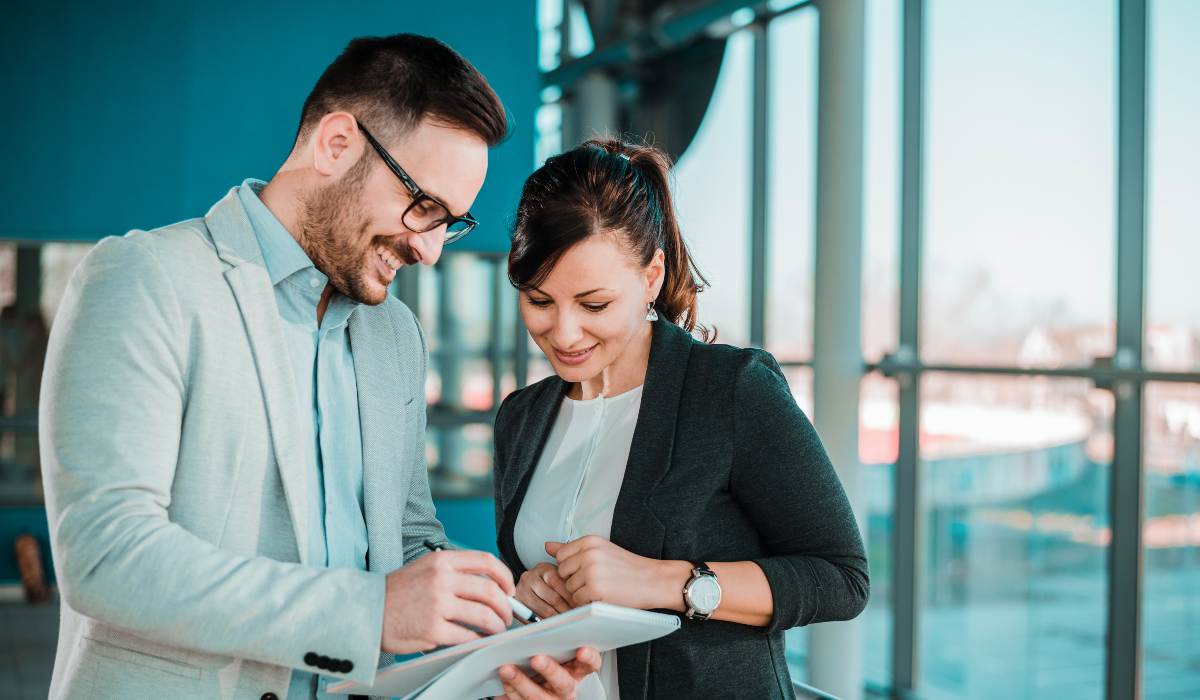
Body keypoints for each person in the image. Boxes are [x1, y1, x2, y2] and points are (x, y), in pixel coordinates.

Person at [39, 34, 597, 700]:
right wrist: (370, 612)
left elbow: (407, 542)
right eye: (424, 208)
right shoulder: (145, 279)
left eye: (451, 223)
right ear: (336, 144)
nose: (429, 251)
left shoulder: (394, 335)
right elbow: (108, 556)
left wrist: (505, 642)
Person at [492, 139, 870, 699]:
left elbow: (842, 579)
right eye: (540, 301)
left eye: (594, 304)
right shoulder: (521, 418)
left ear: (650, 278)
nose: (564, 334)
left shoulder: (731, 391)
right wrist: (530, 592)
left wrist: (663, 582)